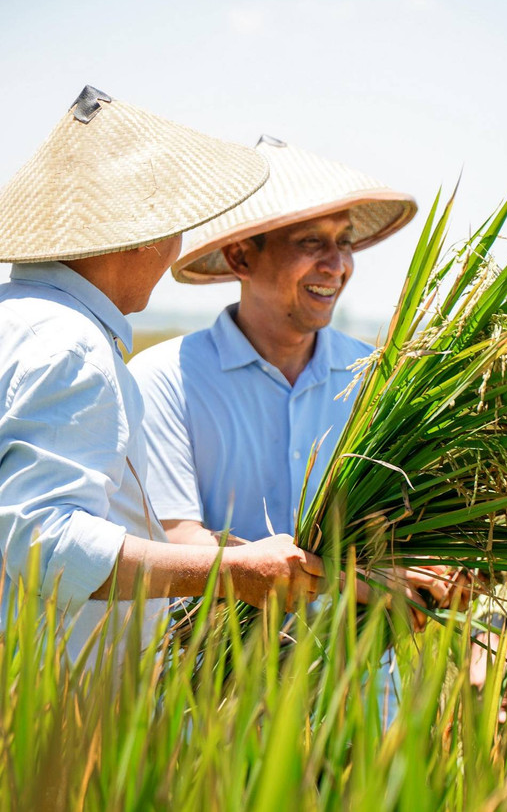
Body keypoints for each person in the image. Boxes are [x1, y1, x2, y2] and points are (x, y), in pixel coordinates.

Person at [0, 89, 324, 663]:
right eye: (175, 229)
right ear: (145, 235)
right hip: (51, 707)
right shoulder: (71, 344)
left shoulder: (17, 317)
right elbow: (41, 541)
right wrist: (230, 571)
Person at [130, 135, 464, 617]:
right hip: (215, 682)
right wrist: (360, 581)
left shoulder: (377, 379)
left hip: (364, 679)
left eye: (344, 241)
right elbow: (182, 541)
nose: (337, 265)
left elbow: (405, 529)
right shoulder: (165, 380)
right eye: (311, 242)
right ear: (241, 256)